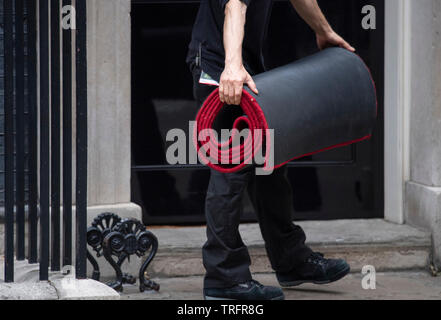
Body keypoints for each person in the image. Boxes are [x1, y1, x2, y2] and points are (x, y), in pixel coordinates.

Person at [186, 0, 355, 300]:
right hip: (221, 70)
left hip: (247, 69)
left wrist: (324, 31)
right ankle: (224, 278)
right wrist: (233, 66)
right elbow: (234, 6)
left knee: (270, 166)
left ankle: (290, 259)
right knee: (231, 170)